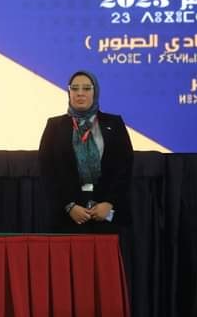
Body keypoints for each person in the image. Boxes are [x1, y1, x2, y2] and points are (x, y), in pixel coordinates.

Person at [38, 70, 134, 233]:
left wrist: (109, 203)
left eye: (87, 88)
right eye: (74, 88)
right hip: (67, 215)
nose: (80, 93)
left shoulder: (114, 123)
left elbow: (125, 167)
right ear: (69, 93)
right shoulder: (54, 126)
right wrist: (69, 206)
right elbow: (47, 171)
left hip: (106, 213)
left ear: (95, 92)